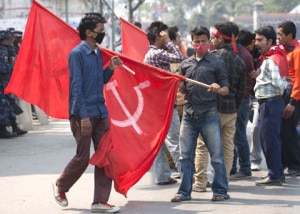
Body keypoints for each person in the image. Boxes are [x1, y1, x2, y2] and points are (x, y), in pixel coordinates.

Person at [52, 13, 122, 213]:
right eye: (100, 31)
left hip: (100, 112)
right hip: (83, 114)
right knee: (83, 157)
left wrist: (111, 70)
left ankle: (99, 201)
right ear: (89, 32)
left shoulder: (98, 53)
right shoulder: (77, 54)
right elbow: (76, 87)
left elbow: (99, 81)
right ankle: (61, 185)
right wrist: (83, 116)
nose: (103, 34)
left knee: (104, 156)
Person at [171, 25, 229, 202]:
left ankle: (220, 191)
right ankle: (184, 192)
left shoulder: (217, 63)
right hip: (189, 115)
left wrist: (218, 88)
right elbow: (182, 88)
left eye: (204, 41)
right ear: (192, 42)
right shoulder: (185, 64)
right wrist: (179, 85)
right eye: (197, 42)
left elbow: (226, 89)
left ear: (209, 42)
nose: (201, 45)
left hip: (209, 114)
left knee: (217, 156)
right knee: (185, 156)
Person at [144, 21, 185, 185]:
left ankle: (162, 176)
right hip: (164, 106)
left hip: (155, 104)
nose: (168, 39)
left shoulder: (152, 54)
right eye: (165, 34)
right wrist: (168, 41)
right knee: (174, 141)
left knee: (160, 142)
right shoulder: (156, 54)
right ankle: (186, 175)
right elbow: (179, 57)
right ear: (158, 36)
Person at [210, 23, 246, 179]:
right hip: (231, 110)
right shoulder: (240, 61)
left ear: (220, 39)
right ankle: (223, 179)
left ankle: (201, 181)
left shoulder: (212, 58)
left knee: (205, 146)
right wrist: (234, 104)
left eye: (212, 38)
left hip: (212, 110)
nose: (211, 41)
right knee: (228, 147)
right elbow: (241, 90)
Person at [254, 25, 288, 186]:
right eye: (256, 39)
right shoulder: (270, 58)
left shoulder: (272, 60)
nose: (256, 43)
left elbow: (279, 84)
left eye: (260, 40)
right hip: (267, 103)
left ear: (269, 41)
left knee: (270, 140)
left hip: (270, 103)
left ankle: (275, 175)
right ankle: (276, 172)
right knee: (267, 139)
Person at [227, 22, 255, 180]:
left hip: (241, 100)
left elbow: (249, 81)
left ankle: (245, 168)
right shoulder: (233, 53)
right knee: (231, 134)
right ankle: (232, 166)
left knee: (239, 134)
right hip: (232, 99)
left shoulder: (244, 55)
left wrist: (241, 98)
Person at [238, 30, 263, 171]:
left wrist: (258, 73)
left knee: (255, 128)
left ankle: (256, 159)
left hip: (257, 96)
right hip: (246, 95)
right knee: (240, 130)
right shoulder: (240, 53)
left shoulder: (260, 53)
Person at [277, 21, 300, 176]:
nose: (278, 37)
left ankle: (294, 165)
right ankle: (286, 163)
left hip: (293, 95)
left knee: (289, 130)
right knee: (283, 130)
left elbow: (298, 78)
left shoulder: (297, 51)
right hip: (284, 92)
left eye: (280, 34)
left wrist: (293, 102)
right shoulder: (283, 51)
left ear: (289, 35)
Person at [0, 30, 27, 138]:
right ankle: (3, 130)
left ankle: (15, 127)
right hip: (2, 83)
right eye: (8, 39)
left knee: (10, 105)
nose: (10, 41)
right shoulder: (2, 52)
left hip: (6, 82)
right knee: (4, 106)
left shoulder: (6, 50)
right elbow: (3, 68)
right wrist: (13, 65)